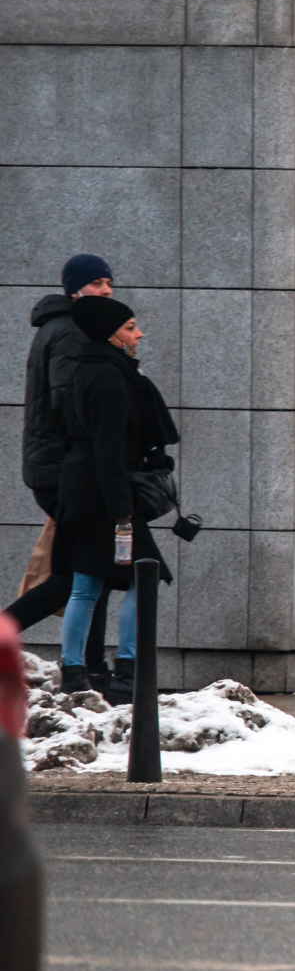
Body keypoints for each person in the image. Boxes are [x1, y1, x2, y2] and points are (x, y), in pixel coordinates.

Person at [51, 295, 177, 699]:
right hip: (106, 497)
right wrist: (123, 513)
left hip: (83, 491)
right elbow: (107, 450)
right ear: (111, 335)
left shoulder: (87, 370)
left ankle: (74, 672)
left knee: (87, 583)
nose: (138, 334)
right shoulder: (110, 377)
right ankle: (128, 672)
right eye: (129, 328)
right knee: (146, 572)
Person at [8, 255, 117, 669]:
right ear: (75, 290)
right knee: (77, 574)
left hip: (57, 466)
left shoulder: (63, 328)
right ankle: (88, 667)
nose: (106, 289)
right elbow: (71, 401)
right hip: (64, 469)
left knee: (91, 571)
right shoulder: (72, 332)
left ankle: (92, 667)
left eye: (108, 282)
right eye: (96, 283)